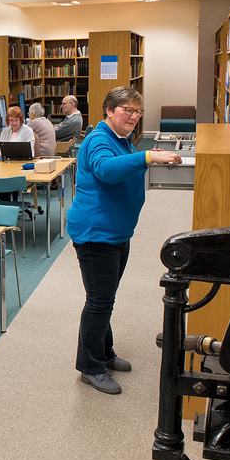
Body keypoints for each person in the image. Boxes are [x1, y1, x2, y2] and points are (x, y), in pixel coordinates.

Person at [68, 87, 181, 395]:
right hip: (96, 235)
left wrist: (149, 158)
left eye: (137, 112)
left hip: (117, 233)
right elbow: (106, 170)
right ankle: (90, 367)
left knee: (105, 298)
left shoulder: (122, 139)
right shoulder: (98, 139)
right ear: (109, 110)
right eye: (127, 110)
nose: (133, 116)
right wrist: (148, 155)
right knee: (99, 301)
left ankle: (104, 353)